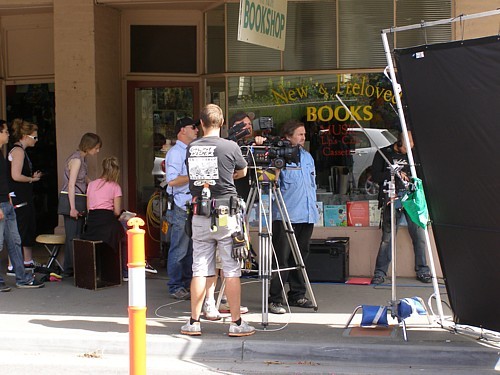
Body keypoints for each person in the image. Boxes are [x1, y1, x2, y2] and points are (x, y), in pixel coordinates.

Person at [181, 104, 255, 337]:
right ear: (221, 123)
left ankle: (194, 322)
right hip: (226, 214)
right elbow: (242, 171)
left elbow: (192, 175)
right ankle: (236, 323)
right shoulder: (230, 146)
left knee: (199, 269)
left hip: (200, 213)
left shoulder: (192, 147)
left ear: (201, 124)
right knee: (231, 269)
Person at [269, 119, 319, 314]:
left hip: (306, 215)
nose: (303, 138)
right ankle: (275, 299)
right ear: (288, 137)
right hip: (285, 215)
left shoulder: (307, 157)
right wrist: (276, 169)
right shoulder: (279, 157)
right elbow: (270, 182)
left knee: (301, 257)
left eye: (304, 134)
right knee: (281, 259)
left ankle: (298, 294)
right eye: (299, 134)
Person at [370, 131, 431, 285]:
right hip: (392, 197)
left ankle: (423, 270)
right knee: (387, 238)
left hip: (411, 198)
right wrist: (395, 174)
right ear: (399, 141)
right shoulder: (384, 153)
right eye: (407, 145)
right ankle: (379, 273)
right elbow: (375, 176)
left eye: (412, 144)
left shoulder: (415, 154)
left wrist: (409, 178)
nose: (410, 148)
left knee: (419, 236)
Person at [0, 119, 44, 291]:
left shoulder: (4, 153)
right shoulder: (16, 151)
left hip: (8, 201)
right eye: (4, 131)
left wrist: (8, 199)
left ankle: (22, 278)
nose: (8, 134)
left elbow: (5, 180)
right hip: (4, 203)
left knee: (15, 241)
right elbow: (15, 176)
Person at [164, 118, 199, 300]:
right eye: (193, 127)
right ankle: (175, 285)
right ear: (182, 130)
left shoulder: (190, 150)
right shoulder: (176, 153)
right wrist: (195, 174)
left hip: (191, 203)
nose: (196, 130)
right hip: (181, 204)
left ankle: (185, 283)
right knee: (180, 247)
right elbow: (172, 180)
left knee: (190, 248)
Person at [60, 132, 102, 278]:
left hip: (78, 198)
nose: (97, 151)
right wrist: (72, 207)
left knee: (76, 235)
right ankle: (74, 269)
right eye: (96, 148)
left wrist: (97, 185)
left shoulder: (81, 159)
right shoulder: (77, 160)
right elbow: (71, 185)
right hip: (73, 199)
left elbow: (82, 179)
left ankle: (70, 268)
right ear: (89, 146)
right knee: (74, 236)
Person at [80, 156, 124, 274]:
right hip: (107, 224)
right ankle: (124, 270)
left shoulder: (92, 185)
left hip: (92, 224)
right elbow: (117, 212)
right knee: (125, 236)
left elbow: (89, 208)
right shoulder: (115, 186)